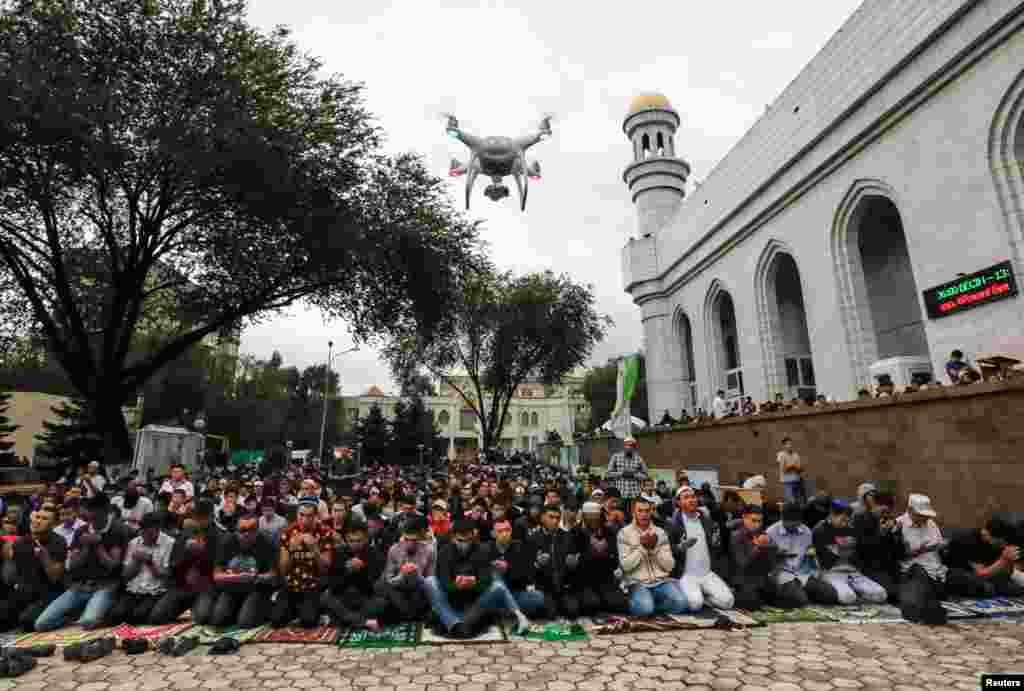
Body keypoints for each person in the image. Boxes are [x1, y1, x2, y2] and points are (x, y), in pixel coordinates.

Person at [35, 494, 134, 631]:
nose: (92, 516)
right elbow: (73, 566)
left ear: (106, 510)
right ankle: (74, 617)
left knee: (88, 622)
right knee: (41, 624)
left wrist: (98, 546)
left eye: (95, 512)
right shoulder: (81, 531)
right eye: (90, 512)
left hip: (106, 586)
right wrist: (86, 547)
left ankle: (94, 613)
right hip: (79, 586)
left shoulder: (119, 530)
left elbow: (114, 567)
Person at [424, 518, 530, 639]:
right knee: (429, 581)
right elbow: (443, 582)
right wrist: (455, 585)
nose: (465, 544)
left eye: (468, 540)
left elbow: (486, 581)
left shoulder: (481, 551)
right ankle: (453, 623)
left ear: (473, 536)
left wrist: (474, 583)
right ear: (453, 538)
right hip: (451, 602)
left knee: (498, 586)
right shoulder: (444, 552)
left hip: (475, 604)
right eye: (460, 540)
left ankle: (520, 617)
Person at [150, 500, 220, 624]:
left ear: (211, 517)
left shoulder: (218, 536)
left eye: (204, 517)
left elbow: (218, 568)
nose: (200, 521)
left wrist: (203, 553)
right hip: (182, 586)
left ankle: (197, 606)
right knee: (157, 617)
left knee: (201, 618)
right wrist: (187, 553)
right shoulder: (184, 536)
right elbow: (173, 566)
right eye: (197, 517)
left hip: (205, 587)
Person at [204, 513, 277, 628]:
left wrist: (256, 577)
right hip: (232, 587)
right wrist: (236, 577)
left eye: (251, 530)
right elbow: (216, 576)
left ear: (258, 531)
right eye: (243, 530)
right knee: (217, 621)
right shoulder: (227, 542)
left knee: (245, 623)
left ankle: (261, 608)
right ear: (236, 530)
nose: (246, 534)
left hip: (257, 588)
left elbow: (273, 576)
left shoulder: (267, 543)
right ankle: (239, 609)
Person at [618, 496, 688, 616]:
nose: (644, 514)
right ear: (633, 512)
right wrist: (642, 548)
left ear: (651, 511)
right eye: (640, 511)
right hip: (637, 583)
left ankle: (651, 605)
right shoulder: (624, 533)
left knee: (682, 604)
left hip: (661, 582)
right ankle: (643, 604)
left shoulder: (660, 532)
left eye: (647, 511)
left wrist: (654, 549)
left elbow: (670, 566)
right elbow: (625, 566)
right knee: (645, 609)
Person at [0, 506, 66, 631]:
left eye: (44, 519)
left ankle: (65, 614)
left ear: (53, 525)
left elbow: (55, 577)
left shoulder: (58, 541)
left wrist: (44, 556)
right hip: (25, 592)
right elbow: (9, 578)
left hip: (49, 593)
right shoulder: (21, 542)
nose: (38, 521)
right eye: (37, 517)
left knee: (27, 622)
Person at [667, 487, 734, 611]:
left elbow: (715, 548)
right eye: (686, 498)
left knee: (728, 602)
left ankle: (704, 596)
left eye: (693, 496)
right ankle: (695, 596)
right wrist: (681, 547)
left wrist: (715, 542)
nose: (691, 500)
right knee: (695, 604)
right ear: (679, 502)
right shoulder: (673, 525)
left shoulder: (706, 520)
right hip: (687, 575)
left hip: (706, 573)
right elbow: (667, 552)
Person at [272, 500, 335, 628]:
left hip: (313, 585)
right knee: (276, 621)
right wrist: (291, 549)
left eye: (309, 516)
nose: (304, 520)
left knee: (308, 622)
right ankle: (295, 609)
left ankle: (306, 610)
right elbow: (283, 570)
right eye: (301, 515)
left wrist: (315, 550)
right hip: (291, 584)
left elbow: (325, 569)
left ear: (315, 517)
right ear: (296, 515)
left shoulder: (325, 533)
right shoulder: (288, 532)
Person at [812, 500, 887, 605]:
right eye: (842, 519)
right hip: (831, 572)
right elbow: (828, 556)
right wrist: (846, 549)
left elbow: (859, 551)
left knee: (881, 594)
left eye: (848, 519)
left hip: (853, 572)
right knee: (847, 597)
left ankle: (857, 594)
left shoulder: (852, 528)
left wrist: (843, 549)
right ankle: (853, 595)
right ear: (832, 515)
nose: (845, 523)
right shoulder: (820, 529)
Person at [106, 512, 174, 625]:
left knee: (138, 616)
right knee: (116, 616)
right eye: (143, 532)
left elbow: (166, 574)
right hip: (134, 589)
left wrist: (150, 562)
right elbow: (126, 575)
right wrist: (135, 562)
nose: (145, 535)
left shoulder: (169, 543)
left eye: (149, 532)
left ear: (158, 529)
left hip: (156, 591)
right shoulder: (134, 543)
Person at [765, 503, 837, 608]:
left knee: (831, 595)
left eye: (796, 524)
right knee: (800, 600)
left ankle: (801, 591)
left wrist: (813, 566)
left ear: (800, 521)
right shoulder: (771, 532)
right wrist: (777, 555)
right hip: (782, 573)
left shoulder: (806, 531)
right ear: (782, 519)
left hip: (802, 573)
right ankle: (793, 593)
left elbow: (810, 556)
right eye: (790, 524)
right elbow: (765, 560)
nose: (793, 527)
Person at [373, 515, 434, 625]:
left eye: (414, 540)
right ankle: (410, 615)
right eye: (407, 539)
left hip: (418, 589)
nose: (410, 543)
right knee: (384, 586)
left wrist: (417, 576)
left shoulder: (429, 550)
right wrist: (402, 575)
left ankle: (407, 614)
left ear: (420, 537)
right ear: (402, 537)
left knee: (428, 592)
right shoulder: (394, 550)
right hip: (398, 589)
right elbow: (389, 580)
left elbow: (431, 580)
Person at [943, 515, 1024, 598]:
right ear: (989, 535)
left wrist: (1009, 561)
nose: (1003, 545)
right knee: (987, 588)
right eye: (1002, 542)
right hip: (958, 573)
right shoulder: (968, 541)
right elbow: (980, 574)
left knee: (1015, 589)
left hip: (986, 574)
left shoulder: (995, 544)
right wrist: (1004, 559)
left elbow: (1006, 573)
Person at [483, 519, 545, 622]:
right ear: (493, 534)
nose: (504, 534)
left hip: (514, 592)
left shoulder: (520, 547)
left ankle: (504, 609)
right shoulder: (485, 548)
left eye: (507, 530)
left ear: (511, 531)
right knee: (496, 576)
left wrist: (508, 568)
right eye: (500, 531)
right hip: (493, 593)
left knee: (539, 597)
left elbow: (525, 575)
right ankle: (512, 611)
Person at [530, 504, 580, 619]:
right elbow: (526, 569)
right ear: (542, 518)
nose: (555, 521)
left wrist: (573, 565)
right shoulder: (533, 538)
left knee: (573, 611)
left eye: (558, 518)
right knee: (549, 614)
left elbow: (573, 563)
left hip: (564, 586)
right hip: (543, 586)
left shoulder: (567, 536)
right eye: (551, 517)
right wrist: (537, 564)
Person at [729, 505, 780, 610]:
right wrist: (758, 548)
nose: (757, 524)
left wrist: (771, 549)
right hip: (743, 579)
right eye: (754, 521)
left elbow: (770, 562)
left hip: (761, 577)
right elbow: (743, 564)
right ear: (744, 518)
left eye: (760, 521)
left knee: (784, 598)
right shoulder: (736, 536)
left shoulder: (762, 534)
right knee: (753, 603)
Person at [605, 438, 648, 504]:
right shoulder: (615, 457)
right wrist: (621, 473)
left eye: (631, 445)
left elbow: (645, 476)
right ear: (624, 446)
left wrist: (634, 475)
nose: (629, 447)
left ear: (635, 447)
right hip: (620, 494)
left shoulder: (639, 459)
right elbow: (608, 474)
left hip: (635, 494)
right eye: (627, 445)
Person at [776, 438, 805, 505]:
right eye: (788, 444)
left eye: (791, 444)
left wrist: (798, 468)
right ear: (783, 445)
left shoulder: (796, 455)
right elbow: (783, 469)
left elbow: (800, 468)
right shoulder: (781, 455)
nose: (790, 445)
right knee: (790, 500)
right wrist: (791, 467)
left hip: (796, 480)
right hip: (787, 480)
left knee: (797, 500)